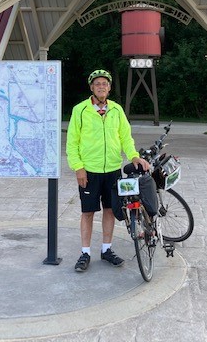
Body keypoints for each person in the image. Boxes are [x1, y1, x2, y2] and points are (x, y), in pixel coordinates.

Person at [66, 69, 150, 272]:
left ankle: (106, 249)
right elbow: (72, 143)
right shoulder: (80, 110)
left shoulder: (117, 110)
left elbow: (125, 137)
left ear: (109, 88)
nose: (101, 86)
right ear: (92, 88)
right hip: (90, 171)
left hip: (112, 169)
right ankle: (85, 252)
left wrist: (133, 156)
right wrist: (78, 168)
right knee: (87, 212)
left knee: (110, 210)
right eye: (97, 84)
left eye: (105, 83)